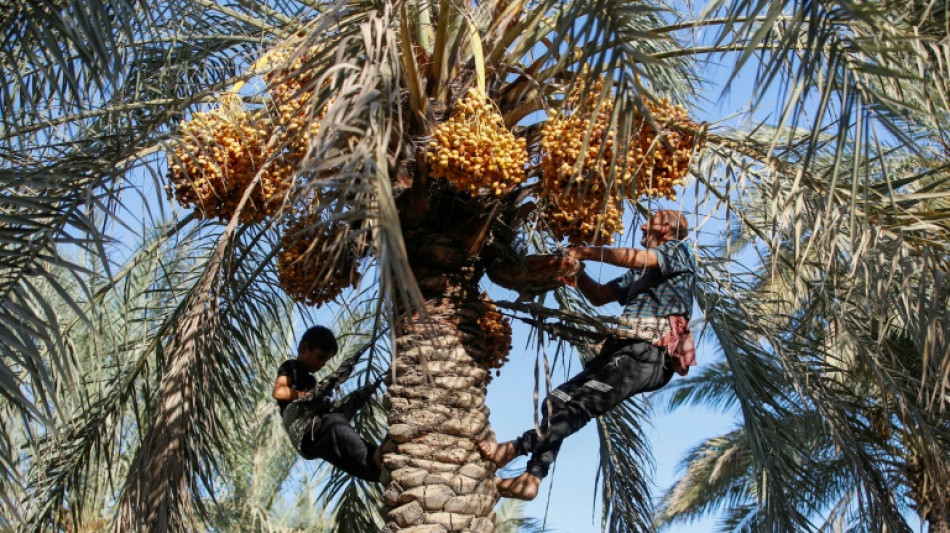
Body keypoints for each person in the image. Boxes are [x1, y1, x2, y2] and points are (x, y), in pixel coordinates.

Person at [478, 209, 697, 500]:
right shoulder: (640, 273)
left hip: (648, 354)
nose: (643, 225)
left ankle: (515, 450)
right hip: (623, 350)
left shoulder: (679, 251)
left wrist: (585, 251)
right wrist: (575, 269)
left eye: (651, 221)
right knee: (557, 401)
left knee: (579, 407)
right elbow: (599, 296)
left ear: (667, 228)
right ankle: (530, 478)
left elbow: (637, 256)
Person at [273, 325, 383, 482]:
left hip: (318, 433)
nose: (323, 364)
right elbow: (279, 392)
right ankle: (373, 454)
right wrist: (307, 396)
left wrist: (321, 402)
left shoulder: (311, 380)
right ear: (305, 348)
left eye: (326, 360)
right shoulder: (291, 366)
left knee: (349, 410)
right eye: (320, 357)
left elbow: (315, 404)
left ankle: (381, 472)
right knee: (335, 423)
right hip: (304, 432)